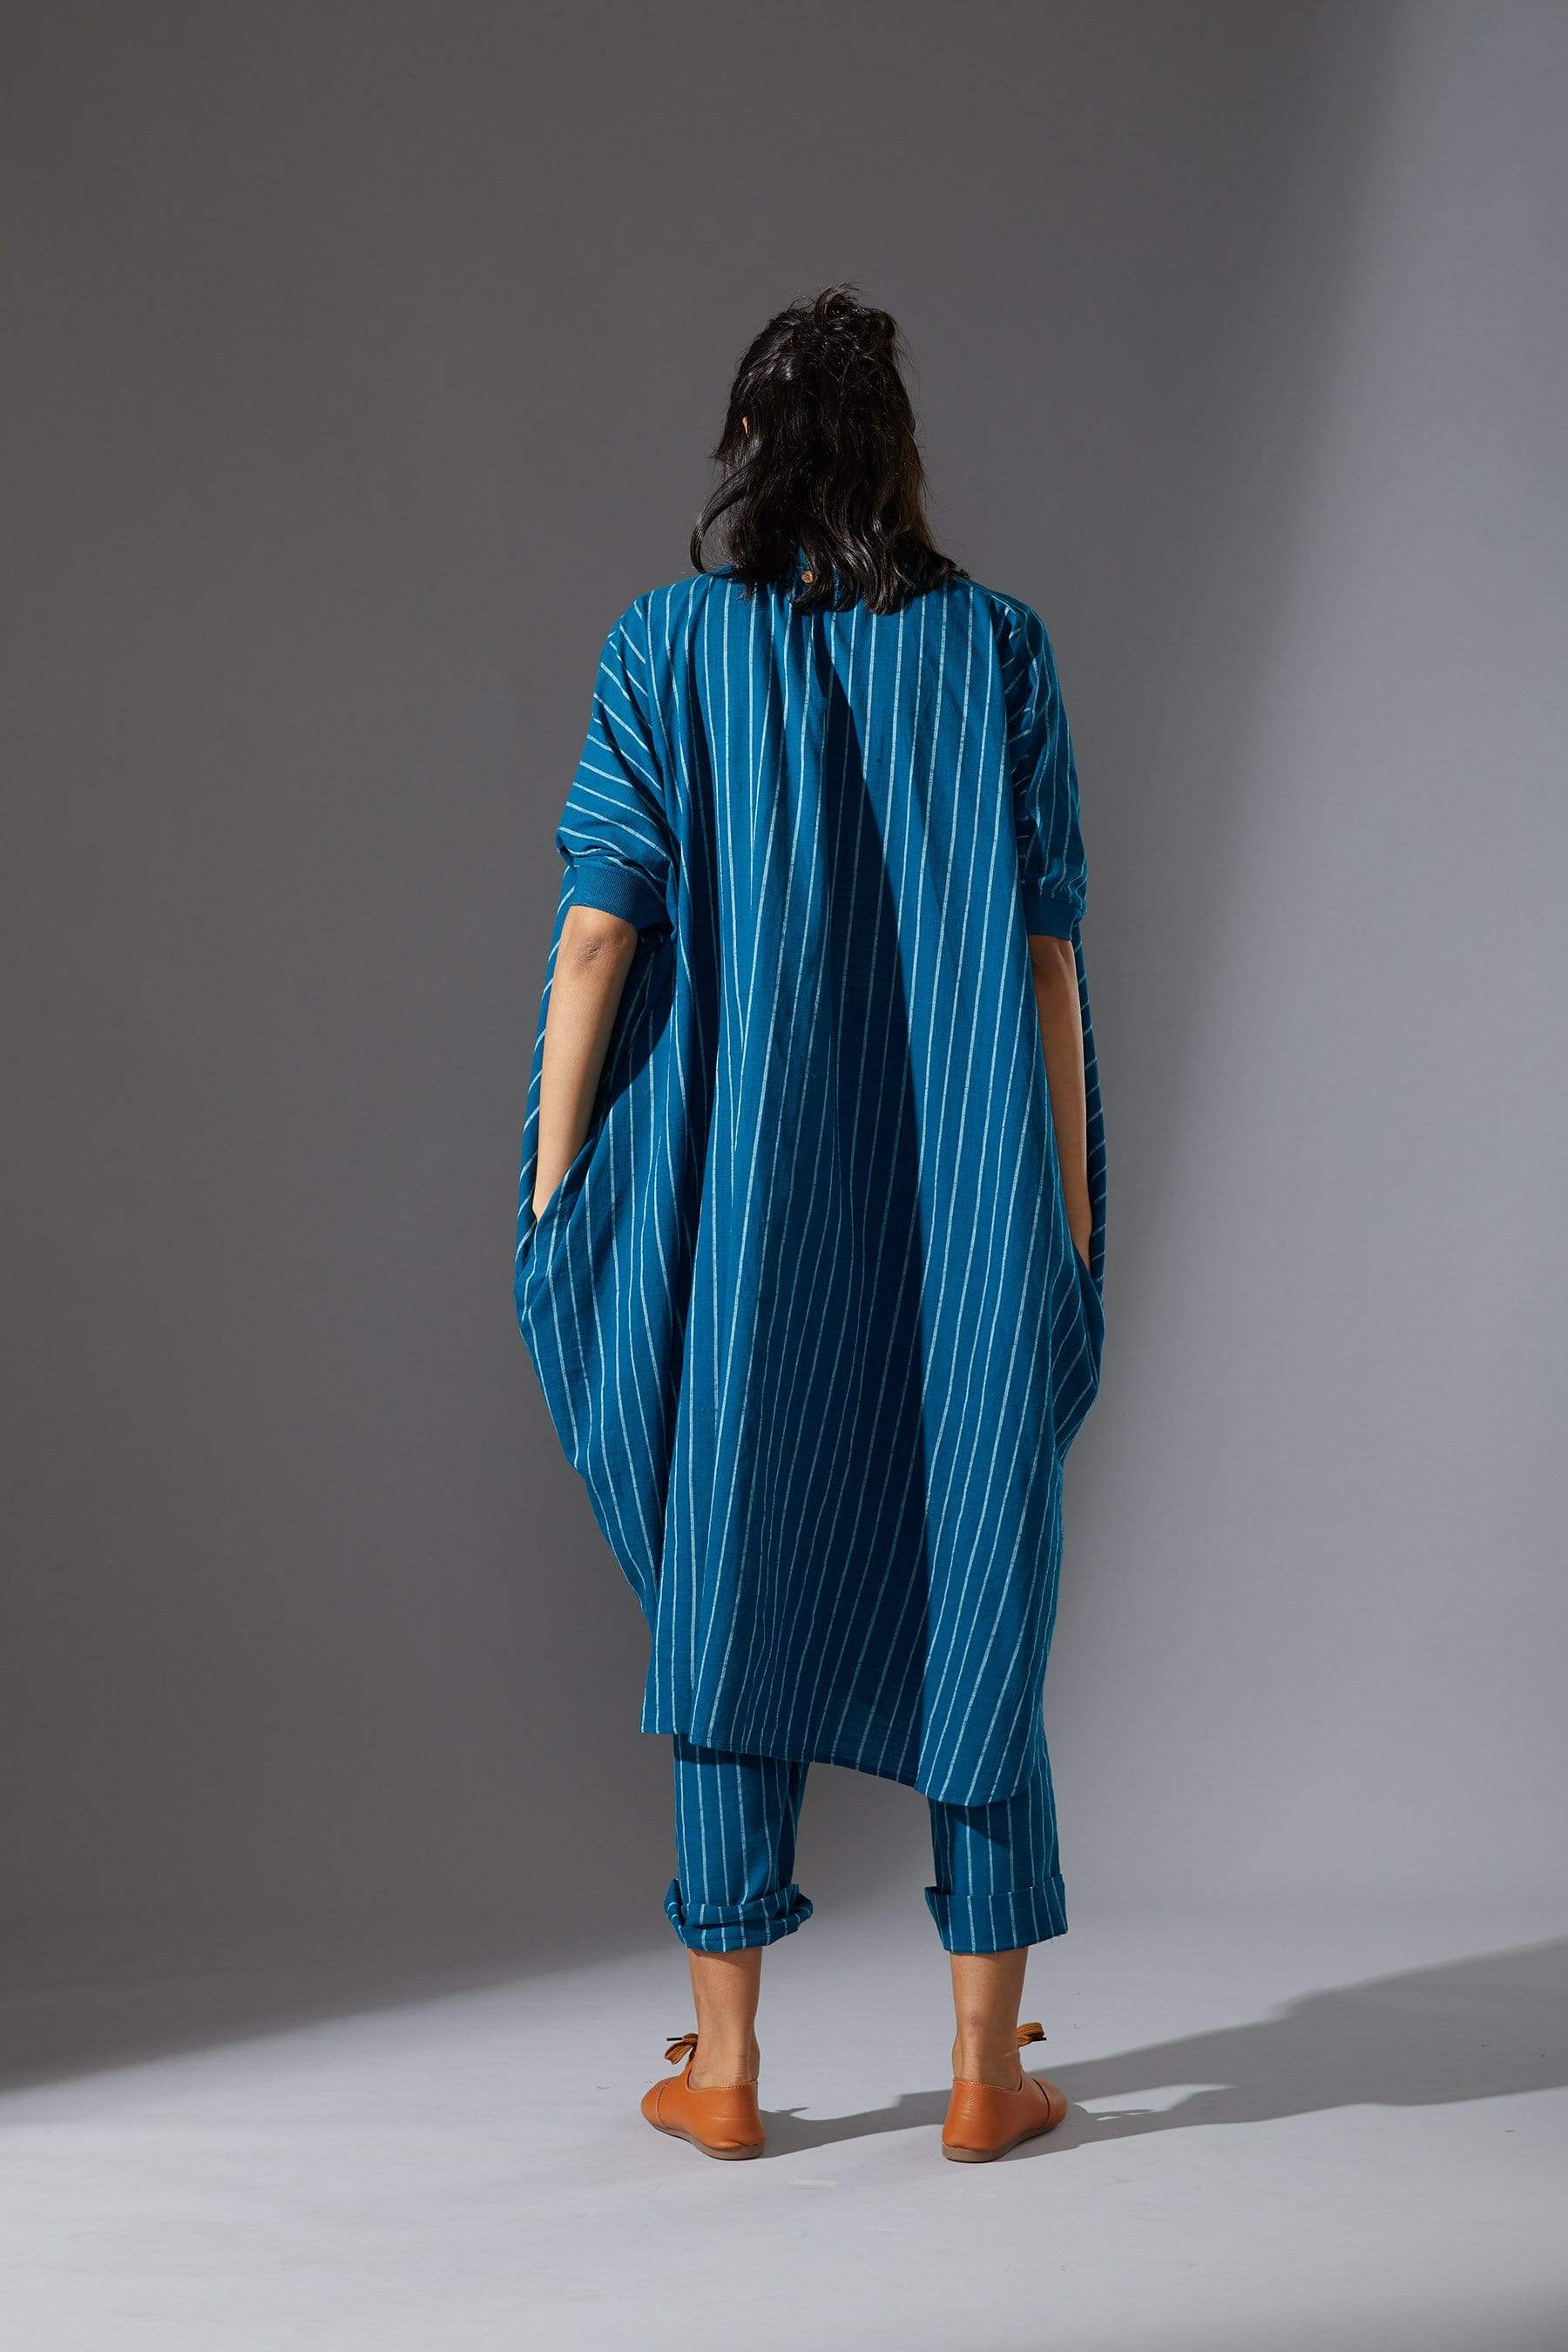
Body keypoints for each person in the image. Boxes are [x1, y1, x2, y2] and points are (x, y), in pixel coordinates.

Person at [514, 287, 1105, 2164]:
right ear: (900, 454)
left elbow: (596, 935)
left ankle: (727, 2070)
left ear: (747, 455)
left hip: (747, 1210)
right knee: (978, 1579)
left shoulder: (665, 643)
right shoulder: (998, 649)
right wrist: (1067, 1218)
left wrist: (557, 1181)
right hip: (966, 1200)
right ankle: (987, 2074)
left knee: (733, 1561)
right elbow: (1046, 966)